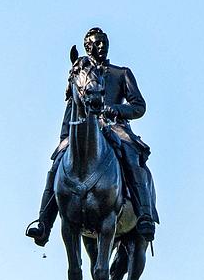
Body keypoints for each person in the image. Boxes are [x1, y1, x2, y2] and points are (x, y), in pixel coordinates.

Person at [26, 27, 158, 247]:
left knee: (131, 154)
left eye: (103, 42)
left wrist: (114, 109)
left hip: (115, 127)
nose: (100, 46)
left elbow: (139, 106)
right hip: (83, 129)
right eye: (95, 43)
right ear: (87, 47)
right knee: (57, 163)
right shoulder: (81, 74)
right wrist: (65, 138)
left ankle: (144, 215)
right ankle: (43, 223)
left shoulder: (121, 73)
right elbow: (71, 108)